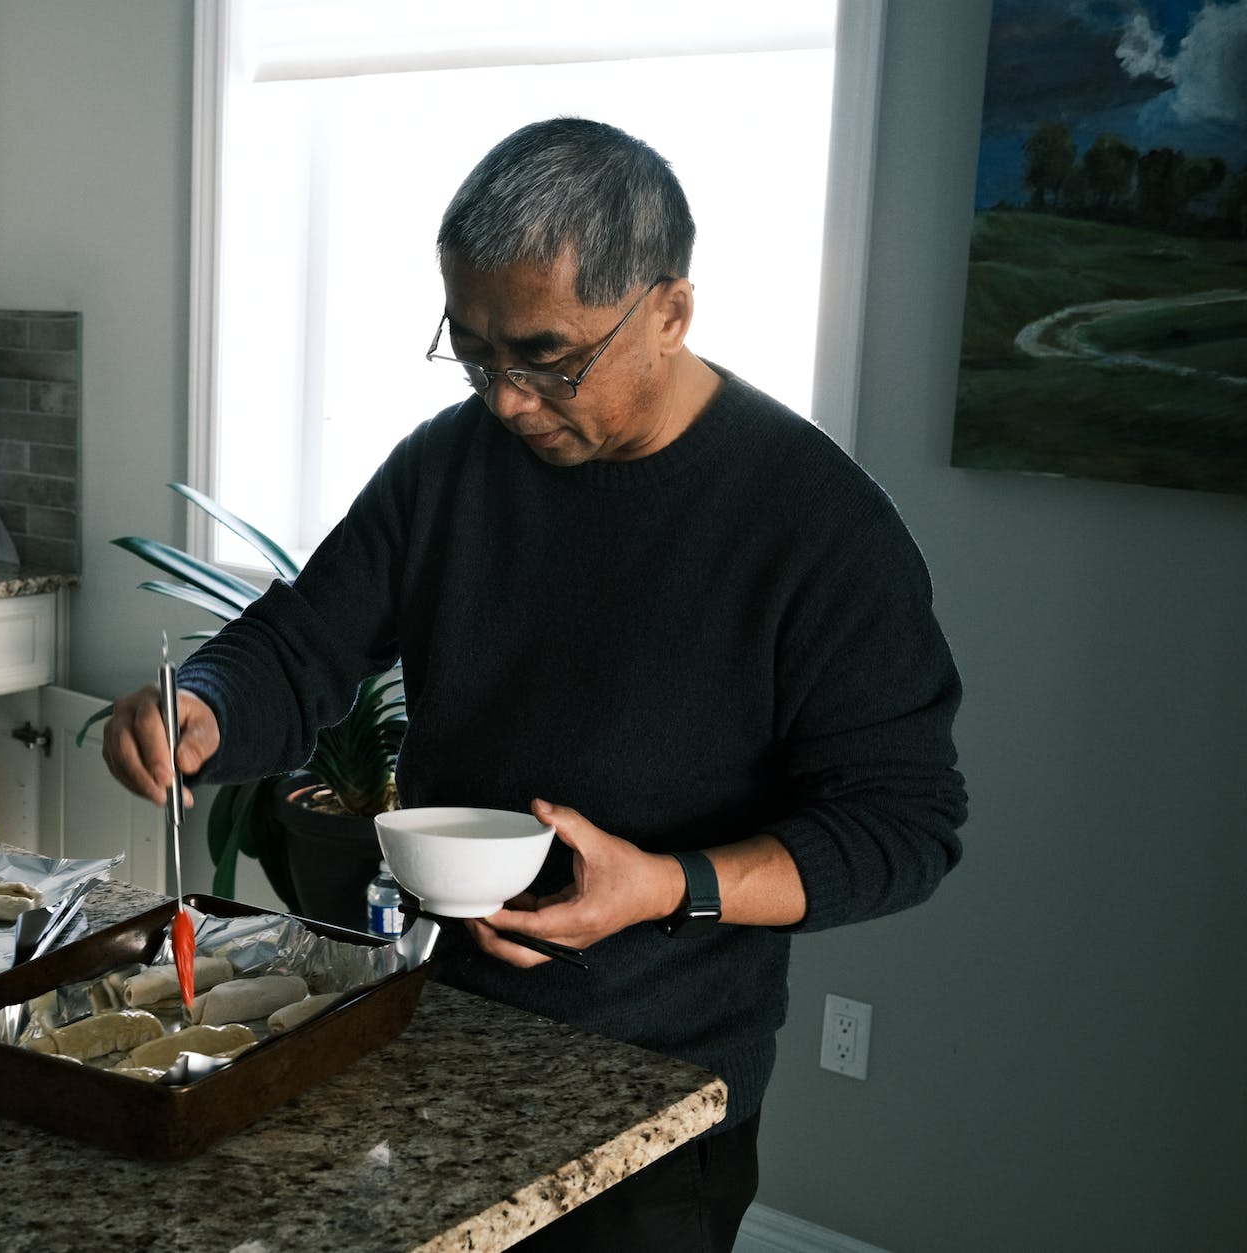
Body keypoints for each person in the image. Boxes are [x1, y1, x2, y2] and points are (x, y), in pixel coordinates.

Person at [102, 117, 966, 1251]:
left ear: (668, 311)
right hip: (424, 1027)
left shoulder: (819, 527)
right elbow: (299, 644)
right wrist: (204, 703)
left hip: (652, 1086)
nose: (504, 400)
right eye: (471, 352)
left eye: (546, 358)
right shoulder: (446, 466)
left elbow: (902, 826)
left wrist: (666, 883)